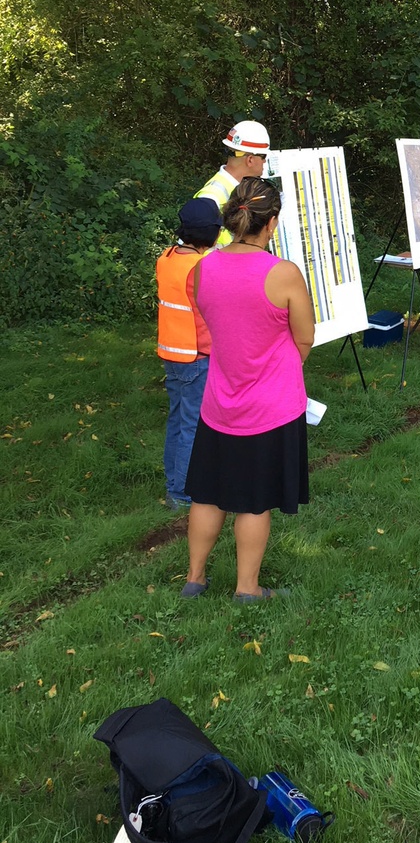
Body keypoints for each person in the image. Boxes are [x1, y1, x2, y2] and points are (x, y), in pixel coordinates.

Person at [182, 177, 314, 602]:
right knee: (254, 502)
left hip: (218, 403)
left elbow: (213, 318)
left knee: (208, 493)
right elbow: (304, 338)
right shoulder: (284, 273)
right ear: (271, 223)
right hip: (270, 407)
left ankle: (195, 578)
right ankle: (247, 588)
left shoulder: (202, 268)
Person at [155, 198, 222, 509]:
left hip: (172, 353)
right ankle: (181, 493)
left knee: (177, 420)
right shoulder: (202, 267)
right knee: (192, 425)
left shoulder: (166, 258)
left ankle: (174, 481)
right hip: (197, 355)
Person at [196, 120, 271, 246]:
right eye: (263, 157)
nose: (264, 162)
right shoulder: (211, 197)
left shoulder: (240, 189)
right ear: (250, 160)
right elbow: (192, 252)